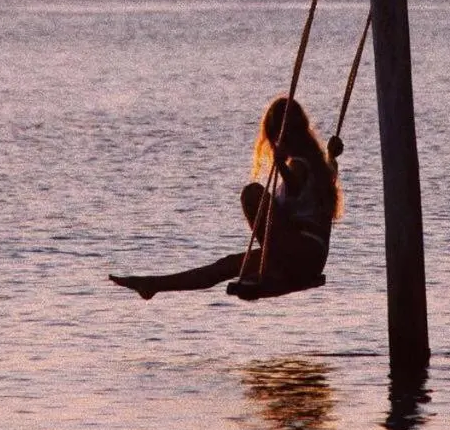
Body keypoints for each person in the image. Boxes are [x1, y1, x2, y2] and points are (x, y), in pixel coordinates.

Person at [109, 96, 343, 299]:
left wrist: (281, 163)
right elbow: (330, 168)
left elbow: (294, 184)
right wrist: (332, 154)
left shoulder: (300, 165)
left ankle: (273, 268)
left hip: (298, 253)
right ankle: (154, 285)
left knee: (252, 194)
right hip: (307, 258)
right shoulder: (320, 165)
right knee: (227, 265)